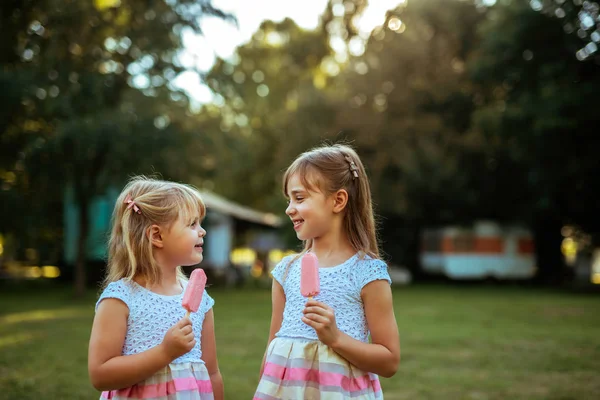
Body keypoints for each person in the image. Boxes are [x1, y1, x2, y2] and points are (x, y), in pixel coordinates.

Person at [255, 144, 400, 399]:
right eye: (289, 199)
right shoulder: (286, 272)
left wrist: (336, 338)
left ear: (338, 200)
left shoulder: (367, 273)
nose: (289, 208)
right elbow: (272, 350)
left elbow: (389, 361)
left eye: (299, 198)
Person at [88, 176, 223, 400]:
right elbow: (100, 375)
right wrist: (165, 352)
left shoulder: (201, 299)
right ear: (157, 236)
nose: (202, 231)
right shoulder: (121, 299)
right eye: (192, 224)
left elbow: (212, 372)